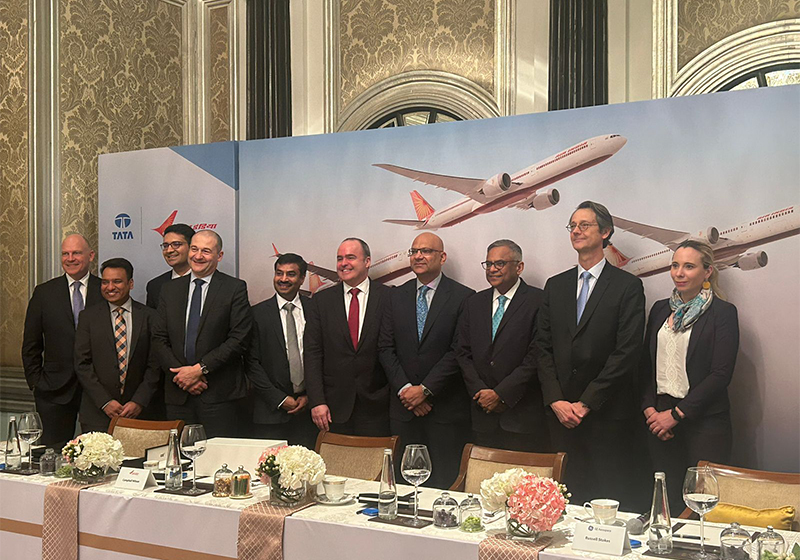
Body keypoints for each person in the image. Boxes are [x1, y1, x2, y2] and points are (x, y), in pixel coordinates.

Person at [536, 201, 646, 509]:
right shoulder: (555, 285)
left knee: (608, 505)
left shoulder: (627, 286)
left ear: (606, 232)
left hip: (607, 416)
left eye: (584, 225)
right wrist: (556, 400)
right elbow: (541, 347)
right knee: (564, 504)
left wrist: (586, 403)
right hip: (560, 416)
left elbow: (627, 352)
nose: (576, 231)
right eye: (572, 225)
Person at [641, 240, 738, 511]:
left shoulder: (723, 313)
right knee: (666, 504)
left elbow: (721, 374)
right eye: (675, 265)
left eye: (689, 266)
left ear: (707, 271)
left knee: (702, 505)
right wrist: (650, 409)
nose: (679, 273)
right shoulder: (660, 309)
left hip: (704, 422)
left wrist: (676, 415)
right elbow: (645, 365)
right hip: (659, 421)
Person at [379, 233, 475, 488]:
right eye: (414, 251)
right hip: (404, 411)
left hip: (444, 410)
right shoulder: (395, 296)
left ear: (442, 257)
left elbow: (458, 350)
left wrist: (425, 390)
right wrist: (406, 391)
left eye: (426, 251)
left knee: (444, 485)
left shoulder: (463, 296)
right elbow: (385, 348)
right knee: (401, 485)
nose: (418, 256)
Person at [152, 230, 253, 437]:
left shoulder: (234, 288)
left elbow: (239, 338)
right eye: (194, 249)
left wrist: (200, 369)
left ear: (219, 256)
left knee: (219, 455)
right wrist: (182, 376)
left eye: (206, 251)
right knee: (179, 454)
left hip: (218, 395)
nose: (198, 256)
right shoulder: (169, 289)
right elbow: (159, 338)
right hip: (178, 393)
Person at [456, 239, 550, 453]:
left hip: (522, 416)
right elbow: (462, 353)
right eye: (488, 264)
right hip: (482, 414)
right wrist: (480, 392)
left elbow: (537, 354)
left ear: (519, 267)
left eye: (499, 263)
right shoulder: (474, 303)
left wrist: (501, 394)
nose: (492, 269)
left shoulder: (538, 300)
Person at [22, 234, 103, 447]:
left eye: (76, 253)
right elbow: (31, 344)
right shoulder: (44, 293)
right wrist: (36, 382)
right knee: (51, 455)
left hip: (97, 389)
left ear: (91, 256)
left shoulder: (105, 290)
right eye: (65, 254)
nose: (70, 258)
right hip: (52, 391)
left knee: (97, 454)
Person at [304, 238, 390, 436]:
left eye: (350, 257)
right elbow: (313, 353)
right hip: (332, 408)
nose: (344, 263)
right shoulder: (321, 301)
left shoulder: (389, 297)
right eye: (339, 258)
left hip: (378, 405)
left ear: (367, 261)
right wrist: (317, 401)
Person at [74, 258, 161, 433]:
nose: (110, 287)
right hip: (97, 413)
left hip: (139, 412)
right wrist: (105, 402)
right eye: (105, 282)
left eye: (117, 281)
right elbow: (82, 364)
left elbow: (155, 365)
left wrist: (139, 401)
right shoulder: (88, 317)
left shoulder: (150, 316)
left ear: (130, 283)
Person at [246, 253, 318, 449]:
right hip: (270, 414)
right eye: (279, 273)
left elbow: (324, 357)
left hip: (309, 414)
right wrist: (279, 399)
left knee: (308, 468)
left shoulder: (316, 310)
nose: (283, 279)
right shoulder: (256, 314)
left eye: (291, 274)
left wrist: (310, 396)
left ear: (302, 278)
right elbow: (251, 363)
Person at [146, 223, 195, 309]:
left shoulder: (205, 281)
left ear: (191, 247)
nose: (169, 250)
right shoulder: (155, 286)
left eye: (176, 244)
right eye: (165, 246)